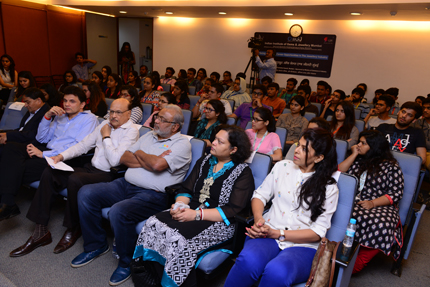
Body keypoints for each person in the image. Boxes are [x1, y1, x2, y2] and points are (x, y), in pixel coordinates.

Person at [71, 105, 192, 286]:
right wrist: (150, 158)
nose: (156, 121)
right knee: (86, 193)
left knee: (118, 211)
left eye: (162, 119)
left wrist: (141, 154)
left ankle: (127, 262)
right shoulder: (149, 135)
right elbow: (124, 158)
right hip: (125, 184)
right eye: (157, 116)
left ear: (175, 126)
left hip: (153, 195)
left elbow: (158, 166)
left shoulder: (182, 144)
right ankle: (96, 245)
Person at [10, 98, 140, 257]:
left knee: (75, 179)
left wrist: (106, 137)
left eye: (118, 112)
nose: (113, 115)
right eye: (111, 111)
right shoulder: (104, 124)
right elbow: (84, 145)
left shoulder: (132, 130)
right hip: (90, 169)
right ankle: (40, 230)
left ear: (128, 114)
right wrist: (61, 156)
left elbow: (115, 160)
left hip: (110, 175)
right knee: (50, 172)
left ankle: (73, 228)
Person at [133, 125, 255, 287]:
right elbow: (186, 189)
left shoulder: (242, 173)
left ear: (233, 149)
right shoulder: (205, 161)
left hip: (219, 221)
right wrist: (179, 205)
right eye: (215, 139)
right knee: (153, 222)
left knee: (179, 240)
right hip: (191, 211)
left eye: (220, 141)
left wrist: (196, 215)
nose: (213, 143)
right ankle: (151, 278)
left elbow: (233, 209)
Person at [225, 128, 339, 287]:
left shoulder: (329, 187)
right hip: (268, 231)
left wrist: (278, 233)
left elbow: (317, 233)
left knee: (277, 272)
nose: (296, 150)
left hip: (303, 246)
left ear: (319, 157)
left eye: (304, 149)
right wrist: (259, 220)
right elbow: (260, 195)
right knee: (248, 261)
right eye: (298, 144)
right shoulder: (282, 166)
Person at [0, 86, 98, 221]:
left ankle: (7, 202)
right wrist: (47, 117)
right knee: (10, 148)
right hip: (46, 150)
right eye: (65, 100)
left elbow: (77, 146)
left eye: (72, 101)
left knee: (14, 167)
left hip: (63, 158)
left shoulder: (89, 119)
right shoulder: (60, 116)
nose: (67, 104)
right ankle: (8, 203)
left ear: (82, 104)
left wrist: (44, 154)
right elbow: (42, 138)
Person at [338, 130, 404, 274]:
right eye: (359, 142)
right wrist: (354, 154)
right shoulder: (357, 159)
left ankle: (355, 264)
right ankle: (337, 253)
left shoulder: (390, 166)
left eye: (363, 143)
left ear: (374, 147)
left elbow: (396, 193)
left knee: (381, 224)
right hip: (353, 199)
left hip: (379, 204)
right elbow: (339, 173)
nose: (358, 145)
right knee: (338, 211)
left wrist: (373, 203)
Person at [0, 88, 50, 156]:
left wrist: (8, 136)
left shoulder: (47, 114)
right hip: (21, 139)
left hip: (32, 145)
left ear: (38, 100)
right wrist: (5, 133)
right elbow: (22, 129)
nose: (25, 105)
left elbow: (34, 134)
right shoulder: (31, 110)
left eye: (28, 102)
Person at [412, 98, 430, 170]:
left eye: (429, 108)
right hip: (419, 152)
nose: (425, 110)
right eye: (424, 108)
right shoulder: (417, 123)